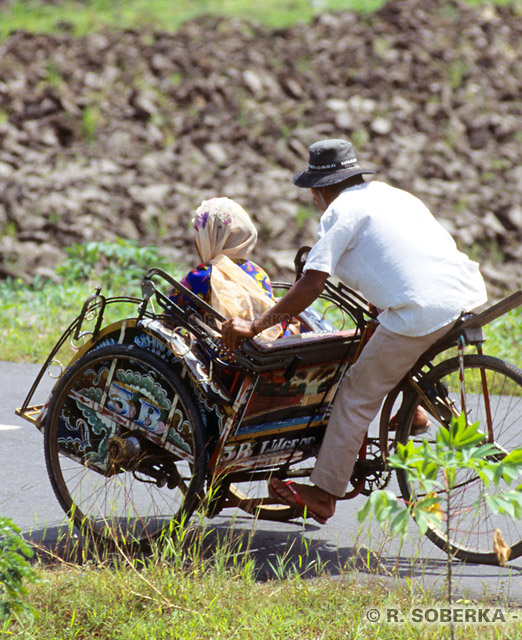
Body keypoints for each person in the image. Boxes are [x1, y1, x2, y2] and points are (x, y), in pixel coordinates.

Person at [221, 139, 488, 524]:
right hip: (463, 294)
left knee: (354, 395)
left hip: (420, 309)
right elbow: (399, 257)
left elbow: (311, 285)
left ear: (318, 191)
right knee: (385, 350)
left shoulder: (338, 212)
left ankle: (324, 493)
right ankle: (415, 413)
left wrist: (256, 325)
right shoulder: (393, 196)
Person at [171, 197, 289, 341]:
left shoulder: (199, 277)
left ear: (208, 238)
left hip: (226, 357)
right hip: (267, 351)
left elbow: (169, 318)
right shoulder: (258, 272)